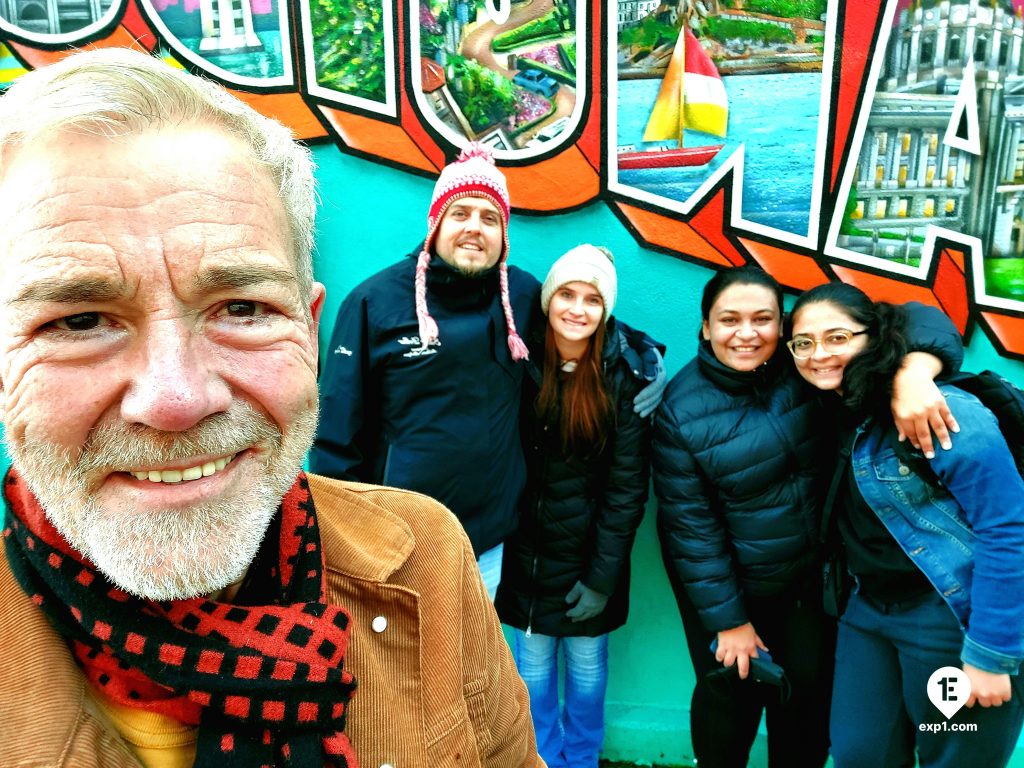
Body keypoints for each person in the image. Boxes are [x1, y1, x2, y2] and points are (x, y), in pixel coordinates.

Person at [0, 48, 541, 767]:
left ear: (307, 334)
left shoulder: (429, 562)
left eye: (243, 307)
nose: (177, 399)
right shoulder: (381, 301)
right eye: (78, 321)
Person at [309, 146, 664, 598]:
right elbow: (335, 437)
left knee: (474, 665)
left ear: (503, 233)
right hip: (398, 545)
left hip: (488, 544)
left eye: (489, 217)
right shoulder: (374, 303)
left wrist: (644, 357)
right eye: (461, 213)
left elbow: (579, 320)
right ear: (436, 222)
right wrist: (351, 543)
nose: (474, 227)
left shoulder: (517, 295)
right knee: (403, 668)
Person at [652, 266, 964, 768]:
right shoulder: (681, 411)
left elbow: (916, 319)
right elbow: (690, 529)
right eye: (729, 319)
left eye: (764, 319)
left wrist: (915, 370)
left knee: (807, 704)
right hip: (731, 588)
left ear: (784, 326)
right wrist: (730, 621)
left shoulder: (807, 366)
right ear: (706, 327)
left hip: (812, 582)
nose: (747, 333)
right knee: (730, 697)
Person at [787, 282, 1024, 768]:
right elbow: (924, 317)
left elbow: (1010, 529)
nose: (819, 355)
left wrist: (990, 654)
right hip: (867, 613)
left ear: (873, 339)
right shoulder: (833, 406)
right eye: (804, 343)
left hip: (949, 616)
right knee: (859, 753)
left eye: (837, 337)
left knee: (954, 757)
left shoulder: (941, 411)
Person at [495, 245, 653, 768]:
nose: (578, 309)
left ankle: (582, 759)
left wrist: (603, 579)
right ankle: (541, 757)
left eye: (592, 298)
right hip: (526, 559)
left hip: (590, 561)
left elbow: (627, 489)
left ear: (606, 309)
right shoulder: (519, 359)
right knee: (532, 673)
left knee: (587, 671)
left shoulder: (624, 376)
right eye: (567, 293)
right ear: (548, 299)